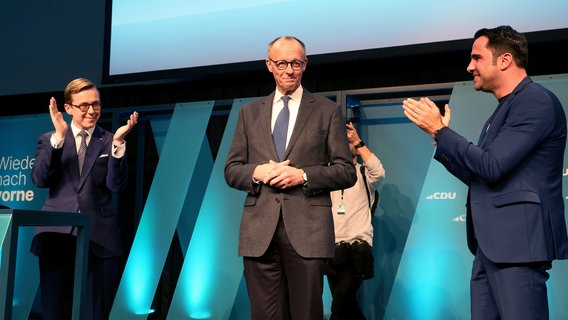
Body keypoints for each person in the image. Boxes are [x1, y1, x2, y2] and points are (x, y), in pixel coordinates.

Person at [402, 25, 568, 319]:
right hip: (490, 247)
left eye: (476, 58)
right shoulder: (504, 109)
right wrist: (439, 137)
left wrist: (441, 131)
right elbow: (481, 174)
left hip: (518, 246)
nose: (470, 67)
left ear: (504, 60)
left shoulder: (535, 101)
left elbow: (491, 166)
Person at [224, 36, 357, 319]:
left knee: (307, 313)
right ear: (269, 65)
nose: (289, 70)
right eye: (282, 63)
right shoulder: (249, 113)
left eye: (296, 63)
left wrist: (303, 175)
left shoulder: (326, 110)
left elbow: (346, 171)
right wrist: (256, 172)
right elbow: (232, 169)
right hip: (259, 233)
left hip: (308, 232)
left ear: (305, 65)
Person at [31, 78, 138, 320]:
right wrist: (59, 138)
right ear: (67, 108)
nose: (92, 111)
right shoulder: (49, 139)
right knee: (55, 312)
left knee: (95, 313)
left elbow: (116, 185)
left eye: (96, 104)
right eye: (84, 105)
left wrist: (119, 145)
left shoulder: (111, 140)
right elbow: (39, 180)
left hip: (99, 238)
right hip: (56, 237)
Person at [326, 122, 385, 320]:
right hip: (330, 249)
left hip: (357, 249)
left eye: (348, 140)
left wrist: (358, 141)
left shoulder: (364, 174)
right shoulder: (327, 175)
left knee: (339, 306)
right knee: (346, 307)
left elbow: (379, 172)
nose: (344, 143)